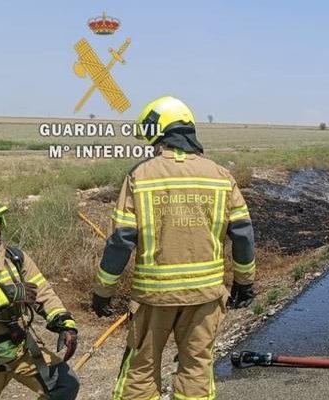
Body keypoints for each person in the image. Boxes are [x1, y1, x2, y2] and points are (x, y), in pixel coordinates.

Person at [90, 96, 257, 399]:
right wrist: (244, 284)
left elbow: (120, 241)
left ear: (161, 133)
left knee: (140, 373)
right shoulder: (220, 176)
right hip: (206, 296)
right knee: (195, 370)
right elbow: (244, 235)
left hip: (154, 297)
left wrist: (103, 292)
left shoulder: (140, 176)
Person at [0, 194, 79, 400]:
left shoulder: (14, 257)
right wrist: (10, 294)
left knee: (65, 385)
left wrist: (64, 323)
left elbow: (43, 292)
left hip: (20, 351)